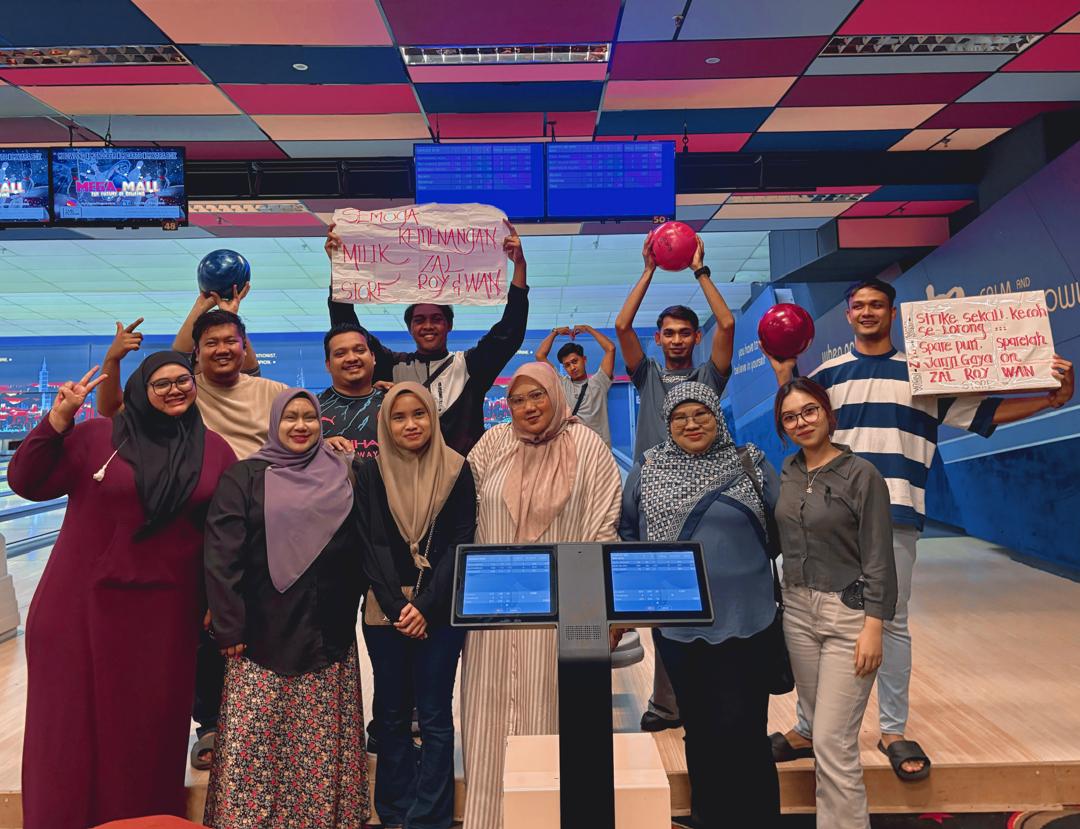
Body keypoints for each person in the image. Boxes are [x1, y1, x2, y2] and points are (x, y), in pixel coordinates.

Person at [766, 277, 1075, 781]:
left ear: (893, 313)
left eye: (877, 305)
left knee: (889, 621)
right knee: (814, 620)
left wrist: (1050, 400)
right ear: (848, 315)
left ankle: (892, 729)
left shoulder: (926, 373)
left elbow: (984, 415)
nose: (868, 312)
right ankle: (808, 726)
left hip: (896, 511)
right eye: (859, 306)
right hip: (827, 517)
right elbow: (797, 421)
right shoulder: (826, 376)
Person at [10, 353, 236, 829]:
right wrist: (57, 420)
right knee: (71, 732)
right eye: (161, 383)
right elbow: (26, 482)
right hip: (80, 607)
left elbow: (224, 532)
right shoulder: (97, 437)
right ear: (140, 391)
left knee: (148, 733)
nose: (174, 390)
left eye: (182, 380)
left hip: (166, 614)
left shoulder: (213, 450)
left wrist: (220, 599)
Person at [97, 309, 291, 770]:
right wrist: (114, 359)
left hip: (266, 523)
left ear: (245, 347)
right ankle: (210, 724)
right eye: (210, 344)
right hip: (204, 520)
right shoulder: (185, 389)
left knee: (264, 624)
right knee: (209, 627)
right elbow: (114, 409)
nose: (222, 349)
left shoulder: (273, 392)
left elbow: (301, 434)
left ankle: (270, 722)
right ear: (196, 354)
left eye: (231, 341)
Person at [461, 361, 622, 829]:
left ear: (556, 394)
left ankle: (546, 818)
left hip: (562, 618)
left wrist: (603, 614)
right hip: (491, 618)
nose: (528, 407)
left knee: (551, 716)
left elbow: (603, 527)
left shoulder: (587, 446)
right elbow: (463, 513)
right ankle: (489, 820)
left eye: (538, 396)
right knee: (487, 722)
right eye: (517, 399)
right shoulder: (494, 444)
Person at [202, 389, 370, 828]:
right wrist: (229, 625)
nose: (300, 426)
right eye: (290, 418)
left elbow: (362, 544)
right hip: (259, 633)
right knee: (256, 741)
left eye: (309, 417)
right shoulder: (244, 477)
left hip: (327, 632)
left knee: (318, 745)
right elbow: (222, 556)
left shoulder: (343, 472)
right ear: (274, 424)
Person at [619, 382, 780, 828]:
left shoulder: (749, 463)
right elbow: (629, 533)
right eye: (679, 417)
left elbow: (781, 527)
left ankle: (758, 820)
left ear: (717, 417)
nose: (691, 424)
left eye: (700, 414)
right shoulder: (650, 468)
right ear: (668, 424)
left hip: (749, 619)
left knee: (747, 729)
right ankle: (710, 816)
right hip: (680, 626)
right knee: (702, 729)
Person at [614, 232, 736, 732]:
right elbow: (622, 326)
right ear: (659, 339)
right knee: (663, 604)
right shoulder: (647, 376)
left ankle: (708, 698)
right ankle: (666, 702)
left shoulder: (710, 378)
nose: (678, 339)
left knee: (710, 603)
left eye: (686, 332)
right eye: (669, 333)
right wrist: (648, 269)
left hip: (706, 501)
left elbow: (727, 323)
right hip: (656, 501)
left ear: (695, 339)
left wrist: (698, 270)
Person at [774, 378, 896, 829]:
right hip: (797, 613)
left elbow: (879, 558)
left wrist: (874, 626)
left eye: (809, 411)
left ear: (828, 414)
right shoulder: (787, 472)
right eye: (790, 417)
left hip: (849, 616)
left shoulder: (863, 475)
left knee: (832, 741)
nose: (801, 422)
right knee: (822, 734)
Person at [355, 383, 476, 829]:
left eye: (419, 414)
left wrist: (424, 606)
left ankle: (430, 815)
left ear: (433, 417)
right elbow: (370, 543)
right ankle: (394, 810)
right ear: (386, 424)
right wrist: (396, 607)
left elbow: (460, 543)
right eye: (399, 417)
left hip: (438, 610)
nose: (411, 424)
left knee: (434, 713)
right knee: (390, 713)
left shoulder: (456, 468)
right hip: (384, 610)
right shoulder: (370, 472)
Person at [325, 219, 529, 454]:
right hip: (405, 472)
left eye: (436, 319)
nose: (428, 326)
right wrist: (338, 269)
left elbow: (509, 333)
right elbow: (348, 330)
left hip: (463, 473)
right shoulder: (393, 366)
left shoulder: (470, 366)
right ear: (410, 327)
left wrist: (519, 266)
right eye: (419, 320)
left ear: (449, 325)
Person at [535, 324, 616, 446]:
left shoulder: (599, 382)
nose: (572, 367)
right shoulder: (562, 384)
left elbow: (610, 348)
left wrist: (588, 329)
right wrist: (555, 332)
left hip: (599, 449)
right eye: (567, 365)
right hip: (573, 449)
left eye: (574, 361)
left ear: (584, 359)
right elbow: (540, 355)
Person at [320, 321, 384, 461]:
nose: (351, 358)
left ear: (373, 357)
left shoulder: (393, 403)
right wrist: (318, 448)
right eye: (340, 354)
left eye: (360, 350)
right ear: (328, 365)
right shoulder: (312, 409)